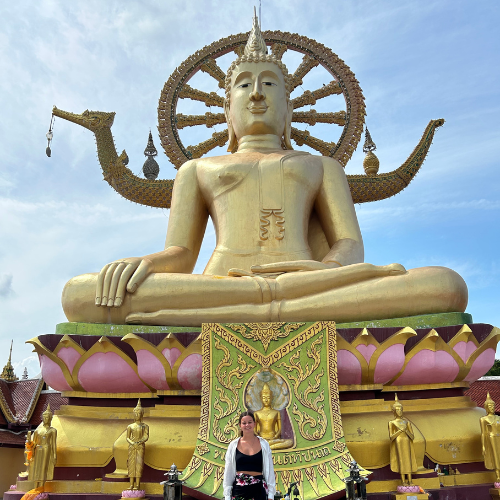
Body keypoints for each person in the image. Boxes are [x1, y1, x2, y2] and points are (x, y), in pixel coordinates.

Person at [61, 13, 467, 327]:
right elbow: (181, 255)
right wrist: (145, 264)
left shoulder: (321, 166)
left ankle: (257, 306)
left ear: (289, 108)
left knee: (446, 286)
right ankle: (269, 305)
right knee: (80, 295)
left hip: (309, 283)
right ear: (226, 110)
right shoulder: (197, 168)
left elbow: (349, 245)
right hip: (223, 285)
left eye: (270, 84)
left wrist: (323, 271)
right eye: (244, 85)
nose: (256, 93)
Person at [223, 411, 276, 500]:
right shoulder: (233, 445)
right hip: (239, 490)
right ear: (240, 425)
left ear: (254, 424)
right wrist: (227, 496)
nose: (247, 425)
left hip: (259, 490)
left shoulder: (264, 444)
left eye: (250, 422)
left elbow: (270, 470)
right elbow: (228, 471)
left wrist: (271, 495)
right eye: (244, 423)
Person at [388, 395, 417, 485]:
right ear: (394, 411)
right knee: (401, 459)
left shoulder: (407, 422)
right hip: (398, 441)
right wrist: (400, 431)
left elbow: (412, 436)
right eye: (397, 410)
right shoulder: (392, 423)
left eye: (400, 409)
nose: (399, 411)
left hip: (406, 440)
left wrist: (406, 432)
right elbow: (391, 437)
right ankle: (403, 481)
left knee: (408, 460)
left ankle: (410, 480)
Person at [254, 383, 293, 449]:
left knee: (290, 442)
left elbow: (279, 429)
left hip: (273, 439)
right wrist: (259, 438)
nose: (266, 400)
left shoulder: (276, 412)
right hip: (261, 440)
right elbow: (254, 431)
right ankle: (267, 446)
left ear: (272, 398)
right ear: (261, 398)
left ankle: (266, 447)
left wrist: (275, 437)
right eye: (264, 398)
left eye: (268, 398)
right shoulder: (256, 413)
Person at [28, 404, 57, 488]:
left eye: (47, 417)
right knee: (37, 468)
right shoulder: (38, 431)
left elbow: (53, 444)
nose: (45, 419)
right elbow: (34, 443)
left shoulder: (52, 430)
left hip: (46, 448)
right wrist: (29, 443)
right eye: (44, 417)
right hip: (37, 449)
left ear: (50, 418)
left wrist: (54, 455)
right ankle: (35, 487)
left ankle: (41, 486)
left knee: (43, 467)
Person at [126, 399, 150, 490]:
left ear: (141, 415)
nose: (136, 415)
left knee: (139, 465)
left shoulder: (145, 426)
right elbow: (127, 437)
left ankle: (137, 485)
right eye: (135, 413)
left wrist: (139, 442)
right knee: (131, 465)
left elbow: (146, 436)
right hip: (132, 447)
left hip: (140, 446)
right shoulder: (130, 426)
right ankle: (131, 484)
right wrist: (132, 443)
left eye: (138, 413)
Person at [480, 392, 500, 482]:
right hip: (492, 439)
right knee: (495, 457)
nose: (492, 408)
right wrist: (483, 446)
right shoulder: (484, 419)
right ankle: (498, 476)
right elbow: (483, 433)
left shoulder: (498, 418)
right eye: (490, 406)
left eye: (493, 406)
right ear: (486, 408)